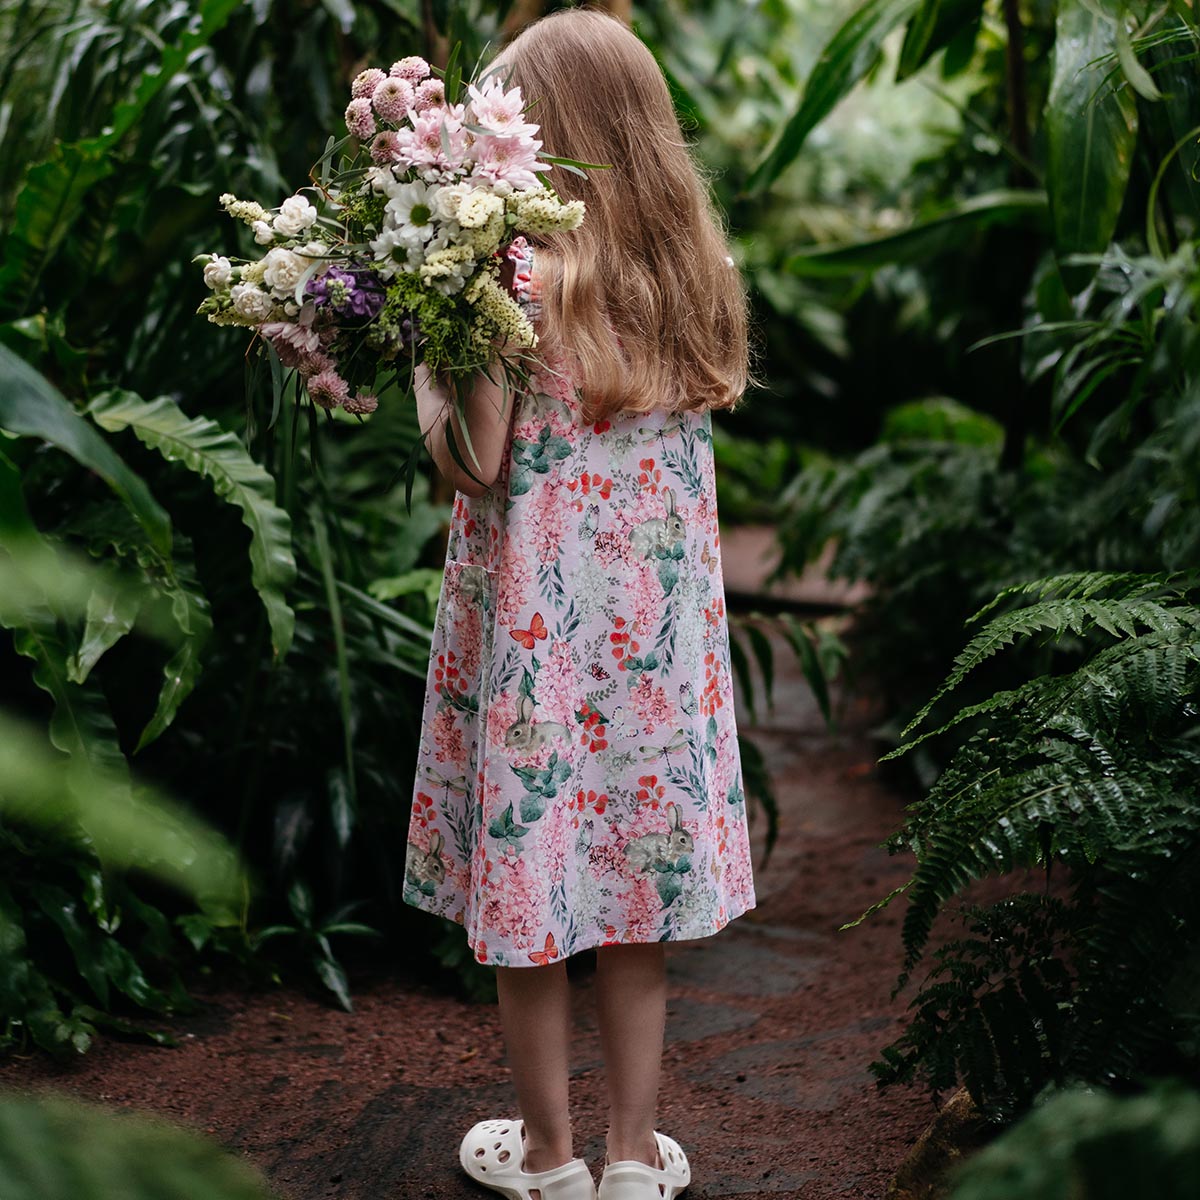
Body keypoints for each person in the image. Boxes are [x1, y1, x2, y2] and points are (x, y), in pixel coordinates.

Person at [404, 9, 756, 1200]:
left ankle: (549, 1160)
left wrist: (425, 362)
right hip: (653, 658)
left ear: (545, 143)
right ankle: (631, 1159)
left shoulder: (516, 276)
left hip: (540, 648)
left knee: (537, 895)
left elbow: (476, 461)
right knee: (631, 905)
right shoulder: (694, 275)